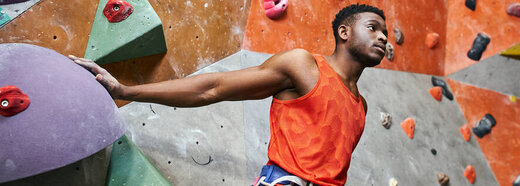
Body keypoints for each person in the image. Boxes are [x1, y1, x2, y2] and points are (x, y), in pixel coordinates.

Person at [69, 4, 387, 186]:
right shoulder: (304, 66)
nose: (383, 37)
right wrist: (127, 91)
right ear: (344, 32)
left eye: (385, 33)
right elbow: (214, 87)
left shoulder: (362, 107)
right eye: (373, 27)